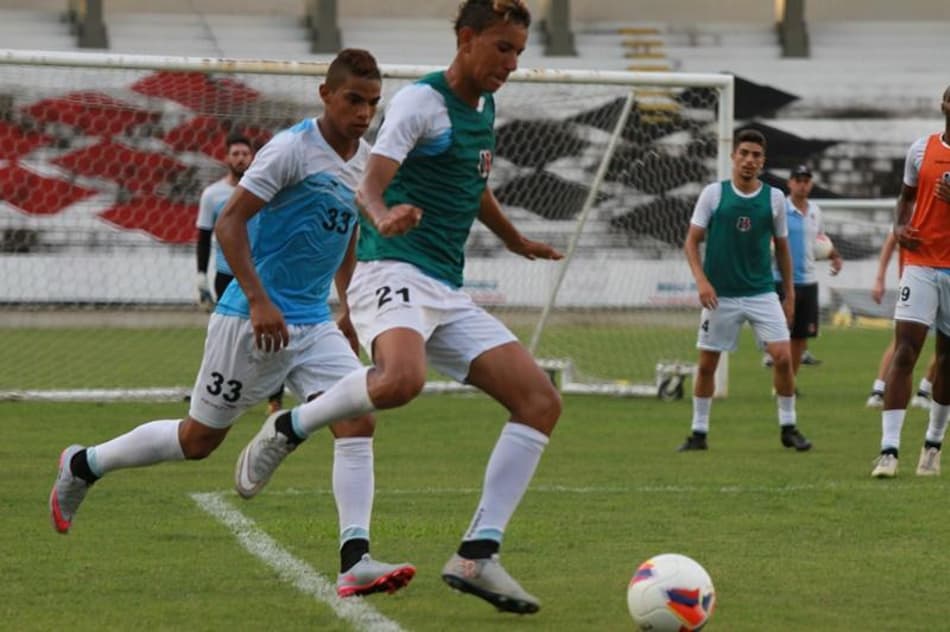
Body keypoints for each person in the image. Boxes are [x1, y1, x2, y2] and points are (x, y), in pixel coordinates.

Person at [49, 49, 417, 598]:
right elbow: (229, 223)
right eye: (353, 100)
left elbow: (347, 235)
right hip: (251, 319)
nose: (364, 113)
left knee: (359, 419)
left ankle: (354, 559)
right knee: (198, 441)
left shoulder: (364, 163)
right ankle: (84, 463)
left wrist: (351, 310)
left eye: (372, 103)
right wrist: (258, 299)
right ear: (326, 95)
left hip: (314, 324)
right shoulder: (291, 149)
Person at [234, 0, 561, 615]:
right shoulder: (420, 103)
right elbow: (369, 182)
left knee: (540, 401)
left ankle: (477, 554)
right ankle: (291, 425)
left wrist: (514, 238)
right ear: (467, 40)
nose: (512, 63)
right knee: (401, 381)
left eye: (519, 51)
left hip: (444, 286)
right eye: (502, 48)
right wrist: (383, 216)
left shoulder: (484, 106)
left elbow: (472, 182)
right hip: (390, 268)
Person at [677, 128, 812, 453]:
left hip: (761, 292)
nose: (750, 160)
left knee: (782, 358)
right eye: (745, 154)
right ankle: (698, 432)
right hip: (719, 294)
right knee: (708, 364)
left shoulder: (774, 198)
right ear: (733, 157)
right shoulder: (714, 194)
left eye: (756, 156)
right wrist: (702, 281)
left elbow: (782, 250)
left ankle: (788, 427)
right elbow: (691, 242)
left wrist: (789, 295)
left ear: (763, 162)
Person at [870, 84, 950, 478]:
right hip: (920, 263)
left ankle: (933, 445)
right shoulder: (921, 149)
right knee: (905, 351)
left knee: (948, 361)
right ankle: (888, 451)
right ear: (944, 105)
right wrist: (900, 227)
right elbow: (905, 196)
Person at [196, 136, 285, 415]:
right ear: (227, 158)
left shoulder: (266, 192)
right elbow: (203, 236)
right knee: (231, 339)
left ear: (253, 157)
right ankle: (219, 394)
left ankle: (275, 400)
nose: (240, 158)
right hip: (226, 276)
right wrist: (200, 276)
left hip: (262, 276)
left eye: (245, 153)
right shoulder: (213, 195)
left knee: (272, 333)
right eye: (235, 153)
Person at [763, 164, 842, 380]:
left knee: (800, 339)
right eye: (798, 179)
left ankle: (788, 384)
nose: (802, 184)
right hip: (781, 280)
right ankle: (770, 355)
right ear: (790, 183)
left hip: (808, 282)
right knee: (780, 337)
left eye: (806, 180)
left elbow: (821, 242)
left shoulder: (816, 212)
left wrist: (834, 256)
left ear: (811, 184)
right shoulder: (779, 209)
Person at [865, 230, 938, 410]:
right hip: (917, 282)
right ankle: (879, 391)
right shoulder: (913, 208)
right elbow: (892, 239)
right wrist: (879, 278)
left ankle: (923, 391)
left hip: (942, 279)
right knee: (902, 342)